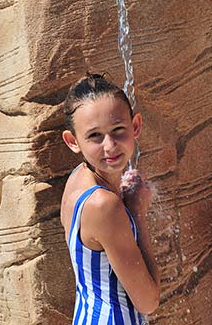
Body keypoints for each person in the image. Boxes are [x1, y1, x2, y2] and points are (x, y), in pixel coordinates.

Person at [60, 73, 160, 324]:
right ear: (73, 141)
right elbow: (148, 302)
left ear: (135, 125)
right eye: (95, 136)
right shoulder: (104, 206)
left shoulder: (78, 179)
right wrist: (137, 212)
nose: (110, 145)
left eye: (118, 130)